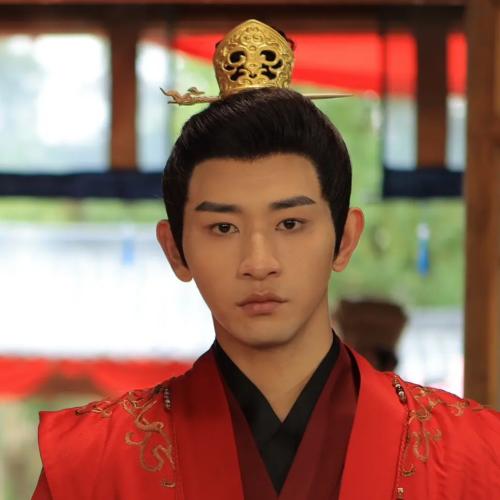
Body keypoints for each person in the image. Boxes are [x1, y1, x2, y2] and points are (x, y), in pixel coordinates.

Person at [32, 19, 499, 500]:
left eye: (290, 224)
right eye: (223, 228)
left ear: (345, 239)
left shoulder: (474, 455)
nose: (258, 262)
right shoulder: (91, 463)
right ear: (175, 250)